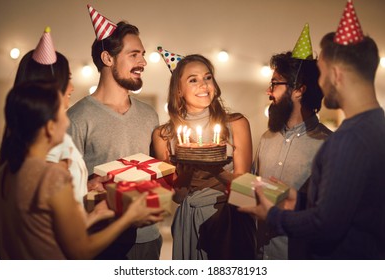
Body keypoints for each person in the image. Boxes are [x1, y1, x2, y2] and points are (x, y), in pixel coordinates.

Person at [239, 1, 385, 259]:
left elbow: (326, 225)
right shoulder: (376, 127)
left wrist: (274, 215)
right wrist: (303, 202)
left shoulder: (347, 140)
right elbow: (348, 211)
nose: (319, 81)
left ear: (336, 74)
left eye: (322, 72)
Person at [0, 81, 164, 259]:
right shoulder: (52, 176)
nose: (67, 120)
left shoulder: (6, 171)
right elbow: (81, 250)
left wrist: (96, 214)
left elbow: (44, 231)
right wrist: (128, 218)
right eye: (62, 114)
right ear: (49, 126)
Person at [67, 5, 161, 259]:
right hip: (100, 240)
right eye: (133, 55)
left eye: (142, 54)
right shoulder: (76, 118)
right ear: (107, 59)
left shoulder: (150, 115)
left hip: (147, 238)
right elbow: (64, 189)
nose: (142, 62)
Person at [153, 52, 256, 259]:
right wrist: (185, 174)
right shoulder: (164, 135)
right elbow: (177, 197)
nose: (203, 84)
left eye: (207, 78)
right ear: (179, 90)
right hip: (190, 216)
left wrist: (216, 170)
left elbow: (244, 189)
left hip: (227, 217)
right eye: (193, 80)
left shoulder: (236, 124)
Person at [0, 27, 110, 205]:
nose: (72, 86)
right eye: (68, 78)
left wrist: (83, 186)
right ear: (51, 86)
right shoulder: (46, 149)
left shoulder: (33, 143)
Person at [253, 24, 332, 260]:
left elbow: (329, 216)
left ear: (298, 90)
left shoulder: (328, 145)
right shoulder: (266, 138)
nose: (268, 90)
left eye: (275, 83)